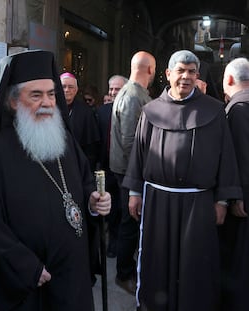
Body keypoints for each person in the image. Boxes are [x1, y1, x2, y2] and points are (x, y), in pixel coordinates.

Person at [0, 50, 111, 310]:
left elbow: (83, 186)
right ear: (14, 101)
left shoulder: (67, 144)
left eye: (51, 94)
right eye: (36, 95)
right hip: (29, 283)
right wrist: (26, 266)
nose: (48, 102)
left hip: (71, 276)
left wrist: (93, 202)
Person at [124, 50, 242, 311]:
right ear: (168, 74)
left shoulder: (214, 111)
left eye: (191, 72)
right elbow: (139, 153)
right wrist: (134, 192)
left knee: (196, 263)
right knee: (157, 259)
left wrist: (222, 199)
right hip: (157, 201)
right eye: (180, 70)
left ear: (197, 75)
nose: (186, 77)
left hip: (198, 203)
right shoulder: (150, 111)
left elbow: (226, 157)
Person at [109, 51, 156, 295]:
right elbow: (130, 142)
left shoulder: (136, 93)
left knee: (132, 222)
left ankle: (129, 269)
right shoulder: (132, 95)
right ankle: (123, 274)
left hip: (131, 172)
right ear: (150, 69)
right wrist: (138, 177)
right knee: (130, 223)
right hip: (130, 173)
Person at [220, 57, 249, 311]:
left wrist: (237, 197)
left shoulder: (238, 110)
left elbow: (240, 158)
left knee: (237, 264)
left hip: (242, 204)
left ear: (229, 80)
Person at [96, 75, 128, 258]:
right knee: (107, 207)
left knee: (122, 209)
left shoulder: (133, 110)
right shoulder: (101, 112)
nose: (113, 92)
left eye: (117, 89)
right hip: (106, 168)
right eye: (111, 89)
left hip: (124, 170)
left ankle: (116, 243)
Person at [60, 72, 100, 172]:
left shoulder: (86, 111)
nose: (67, 90)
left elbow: (91, 146)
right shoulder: (49, 108)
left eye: (70, 87)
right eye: (63, 86)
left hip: (77, 165)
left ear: (76, 90)